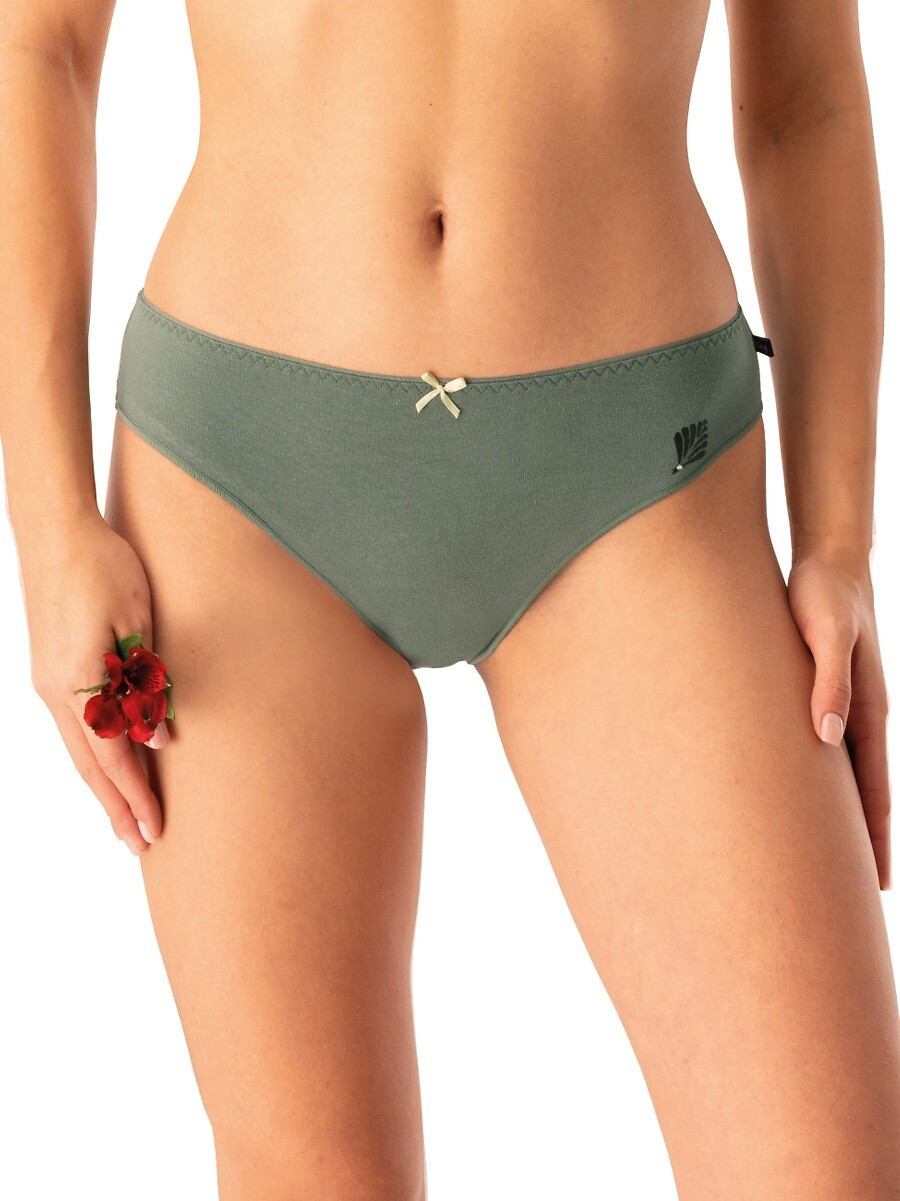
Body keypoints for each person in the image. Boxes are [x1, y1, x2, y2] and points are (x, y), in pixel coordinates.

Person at [1, 1, 898, 1197]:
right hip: (241, 484)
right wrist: (50, 527)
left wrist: (838, 538)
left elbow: (804, 99)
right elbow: (40, 45)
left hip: (643, 479)